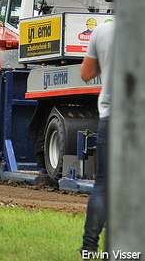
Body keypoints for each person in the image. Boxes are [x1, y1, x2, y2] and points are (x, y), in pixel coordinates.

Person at [79, 19, 114, 256]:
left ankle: (90, 246)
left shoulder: (102, 30)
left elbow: (86, 73)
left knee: (103, 184)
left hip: (112, 117)